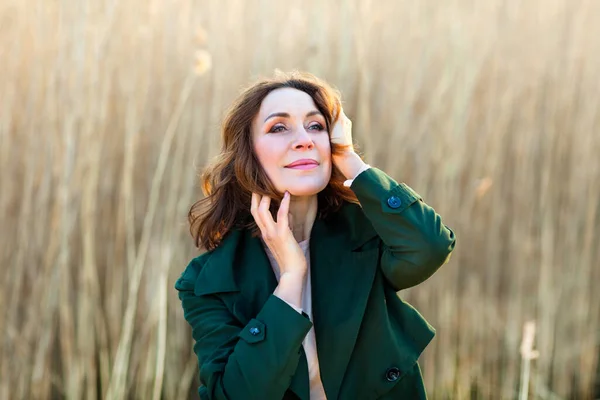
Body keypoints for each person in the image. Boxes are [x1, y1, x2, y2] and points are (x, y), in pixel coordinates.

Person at [174, 70, 456, 400]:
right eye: (278, 127)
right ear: (247, 151)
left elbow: (430, 248)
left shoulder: (368, 233)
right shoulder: (207, 280)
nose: (304, 139)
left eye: (316, 126)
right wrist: (292, 278)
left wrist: (350, 161)